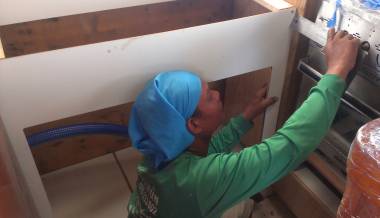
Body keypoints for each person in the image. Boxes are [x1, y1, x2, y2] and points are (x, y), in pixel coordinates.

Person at [127, 29, 360, 218]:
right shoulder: (203, 181)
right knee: (244, 206)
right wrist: (336, 70)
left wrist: (244, 117)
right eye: (209, 96)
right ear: (194, 125)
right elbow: (288, 146)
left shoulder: (158, 149)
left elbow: (203, 154)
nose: (217, 95)